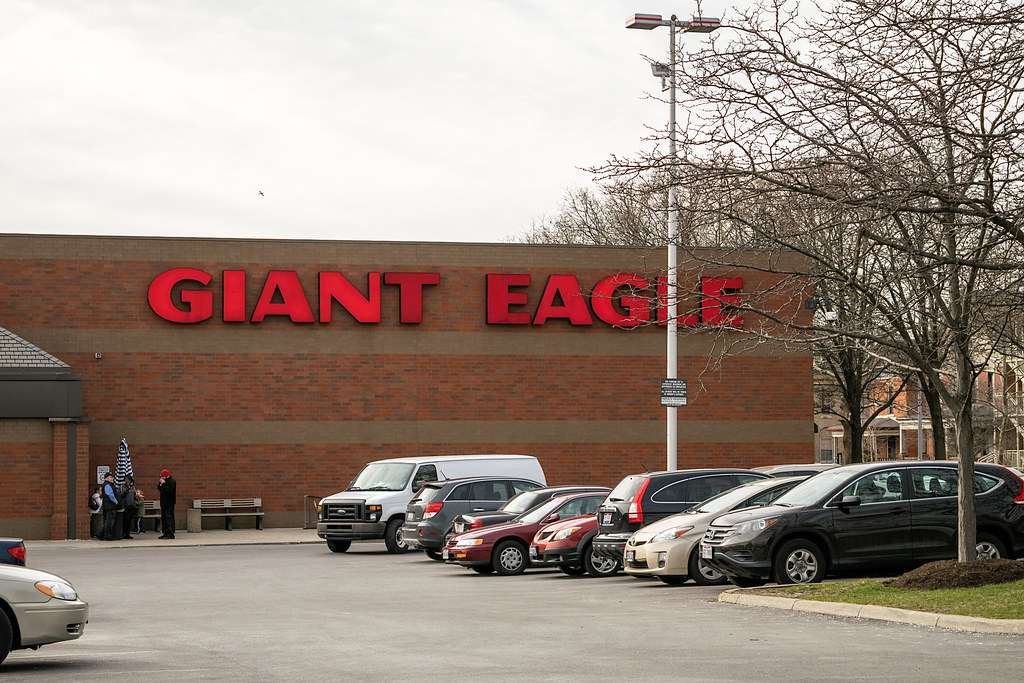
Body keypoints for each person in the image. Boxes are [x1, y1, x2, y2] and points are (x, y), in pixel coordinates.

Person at [100, 471, 119, 540]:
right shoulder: (107, 485)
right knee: (109, 521)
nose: (112, 479)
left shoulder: (108, 485)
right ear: (106, 478)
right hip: (110, 506)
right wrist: (115, 500)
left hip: (107, 505)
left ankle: (101, 534)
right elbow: (110, 494)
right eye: (110, 477)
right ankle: (105, 535)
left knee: (108, 521)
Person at [158, 468, 176, 539]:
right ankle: (165, 532)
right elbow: (160, 489)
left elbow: (169, 490)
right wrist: (160, 484)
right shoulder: (164, 482)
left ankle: (170, 533)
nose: (162, 478)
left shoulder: (172, 482)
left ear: (166, 476)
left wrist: (164, 484)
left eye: (162, 476)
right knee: (164, 519)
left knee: (169, 518)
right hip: (163, 503)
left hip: (169, 503)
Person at [120, 474, 137, 540]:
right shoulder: (122, 487)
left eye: (128, 479)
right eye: (126, 479)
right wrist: (125, 493)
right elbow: (120, 495)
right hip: (125, 506)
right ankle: (123, 533)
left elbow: (134, 495)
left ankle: (127, 534)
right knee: (125, 520)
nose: (127, 481)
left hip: (132, 505)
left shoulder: (133, 487)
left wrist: (136, 497)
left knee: (130, 520)